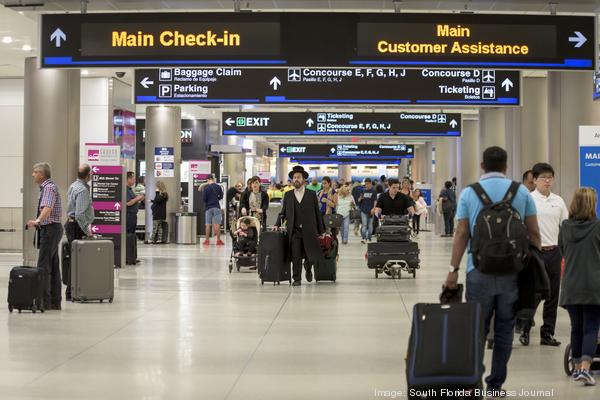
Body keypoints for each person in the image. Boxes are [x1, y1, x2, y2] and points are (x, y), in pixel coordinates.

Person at [444, 146, 541, 396]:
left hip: (479, 271)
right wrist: (531, 264)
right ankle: (496, 384)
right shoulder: (521, 192)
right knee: (505, 329)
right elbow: (534, 234)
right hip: (512, 274)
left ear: (482, 165)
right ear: (506, 166)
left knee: (477, 328)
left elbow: (462, 233)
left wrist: (453, 270)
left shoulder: (468, 193)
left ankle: (474, 380)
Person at [517, 163, 569, 346]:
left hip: (554, 252)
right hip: (534, 253)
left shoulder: (559, 201)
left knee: (553, 295)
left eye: (550, 177)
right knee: (532, 293)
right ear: (535, 180)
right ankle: (524, 329)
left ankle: (547, 333)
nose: (547, 181)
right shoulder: (528, 200)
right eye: (543, 178)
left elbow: (566, 226)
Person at [559, 187, 600, 387]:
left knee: (577, 327)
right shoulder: (598, 226)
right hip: (594, 285)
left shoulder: (565, 227)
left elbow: (562, 251)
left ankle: (576, 368)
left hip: (571, 284)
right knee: (591, 327)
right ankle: (585, 368)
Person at [275, 165, 325, 286]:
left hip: (309, 229)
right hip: (294, 230)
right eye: (294, 177)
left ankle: (308, 268)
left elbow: (317, 213)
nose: (296, 179)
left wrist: (321, 230)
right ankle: (297, 278)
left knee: (309, 254)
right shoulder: (288, 195)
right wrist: (277, 224)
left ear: (303, 180)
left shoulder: (312, 194)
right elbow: (284, 212)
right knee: (296, 255)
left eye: (298, 177)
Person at [26, 163, 64, 311]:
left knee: (43, 266)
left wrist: (37, 221)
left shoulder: (48, 188)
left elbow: (47, 207)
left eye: (35, 172)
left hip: (50, 230)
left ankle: (43, 302)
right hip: (52, 229)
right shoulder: (49, 187)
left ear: (42, 174)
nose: (33, 174)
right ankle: (54, 302)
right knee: (53, 267)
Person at [64, 164, 94, 301]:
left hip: (71, 224)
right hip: (76, 226)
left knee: (74, 259)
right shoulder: (82, 190)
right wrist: (87, 231)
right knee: (76, 260)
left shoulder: (73, 186)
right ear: (88, 175)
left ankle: (72, 291)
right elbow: (80, 215)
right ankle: (71, 292)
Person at [202, 176, 224, 246]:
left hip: (208, 208)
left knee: (208, 225)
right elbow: (221, 197)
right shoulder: (218, 187)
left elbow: (204, 199)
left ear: (208, 180)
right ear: (213, 179)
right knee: (217, 224)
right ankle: (218, 241)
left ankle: (207, 241)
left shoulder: (206, 188)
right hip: (217, 207)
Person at [358, 178, 377, 244]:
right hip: (363, 210)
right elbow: (359, 200)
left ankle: (369, 237)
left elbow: (375, 200)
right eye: (365, 184)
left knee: (370, 225)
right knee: (364, 224)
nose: (366, 185)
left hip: (371, 210)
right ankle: (363, 238)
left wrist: (374, 208)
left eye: (368, 184)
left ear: (371, 184)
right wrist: (360, 199)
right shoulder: (362, 191)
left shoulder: (374, 191)